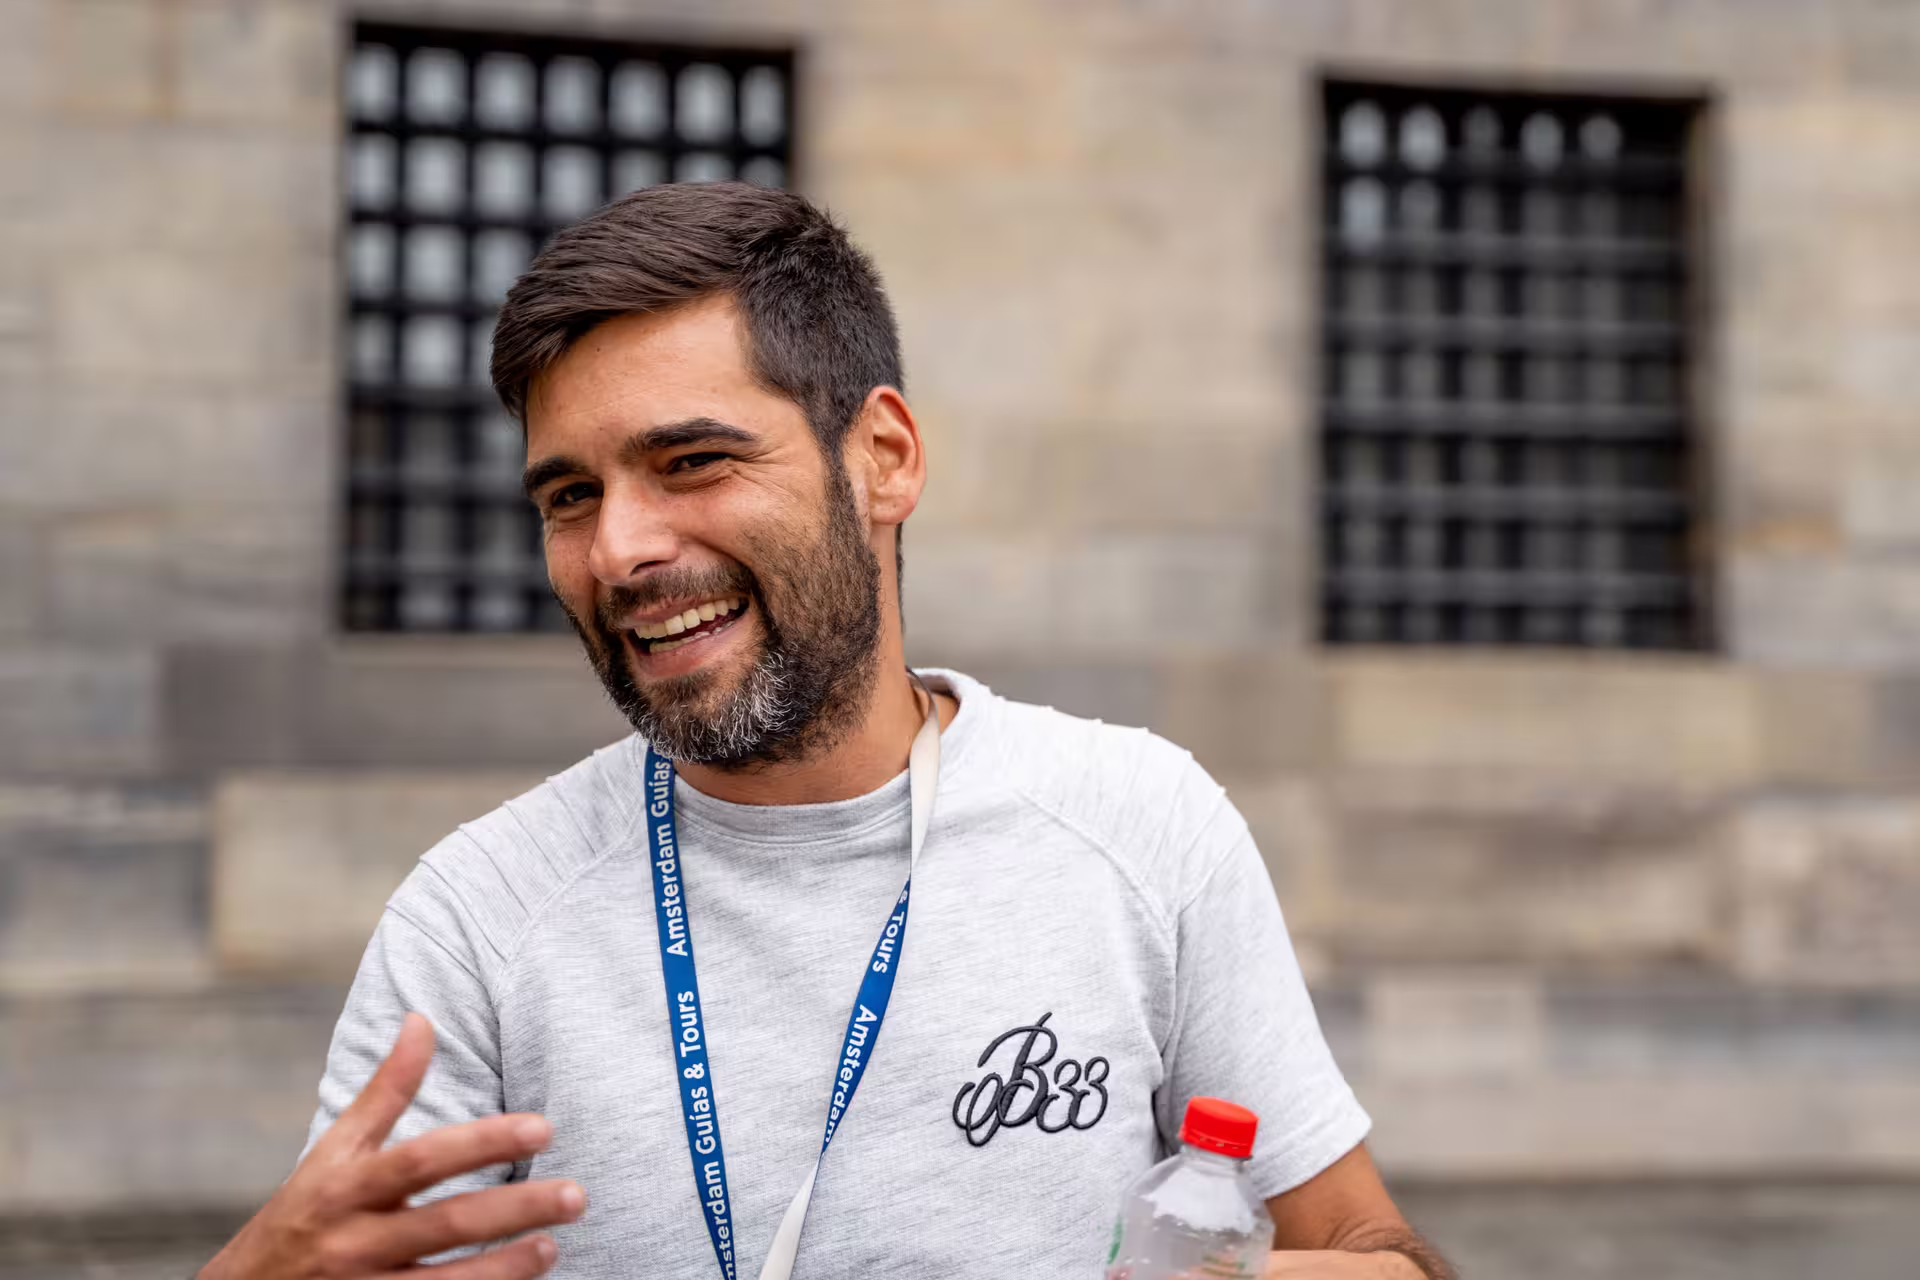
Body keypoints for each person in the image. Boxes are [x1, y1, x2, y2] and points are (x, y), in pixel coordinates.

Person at [201, 183, 1451, 1280]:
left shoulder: (1140, 822)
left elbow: (1367, 1241)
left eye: (690, 459)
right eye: (569, 494)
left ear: (885, 457)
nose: (620, 547)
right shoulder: (475, 920)